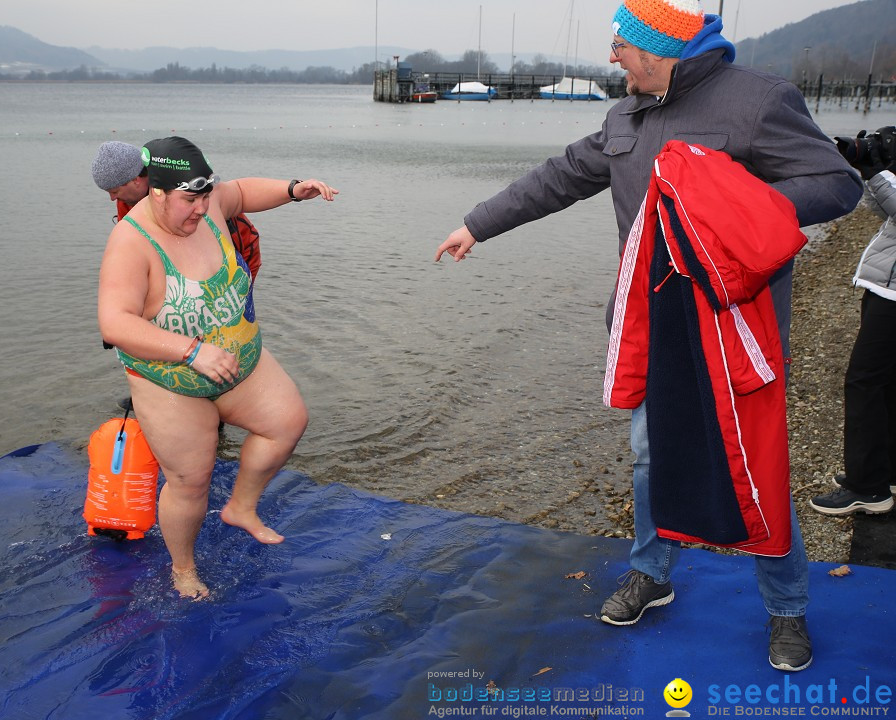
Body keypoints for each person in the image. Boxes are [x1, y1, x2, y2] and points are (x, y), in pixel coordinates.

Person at [435, 1, 862, 672]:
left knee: (758, 473)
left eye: (620, 46)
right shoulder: (624, 116)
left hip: (734, 334)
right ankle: (651, 574)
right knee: (648, 460)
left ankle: (787, 609)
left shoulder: (757, 101)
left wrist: (740, 204)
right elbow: (559, 177)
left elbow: (839, 184)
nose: (611, 57)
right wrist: (477, 224)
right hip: (651, 334)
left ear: (659, 51)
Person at [97, 135, 338, 599]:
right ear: (158, 193)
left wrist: (293, 189)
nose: (202, 209)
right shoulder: (131, 242)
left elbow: (243, 192)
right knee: (191, 482)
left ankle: (241, 507)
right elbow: (114, 322)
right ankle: (183, 569)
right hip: (172, 380)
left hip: (239, 361)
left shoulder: (209, 205)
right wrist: (191, 351)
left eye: (206, 196)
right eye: (190, 200)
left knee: (288, 423)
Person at [810, 127, 896, 516]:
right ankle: (883, 472)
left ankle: (868, 487)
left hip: (894, 296)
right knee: (886, 385)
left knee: (863, 382)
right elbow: (888, 212)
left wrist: (880, 172)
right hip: (886, 288)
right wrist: (870, 173)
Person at [92, 140, 262, 282]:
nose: (113, 199)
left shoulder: (181, 185)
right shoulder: (127, 202)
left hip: (240, 251)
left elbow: (237, 197)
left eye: (114, 192)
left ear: (135, 180)